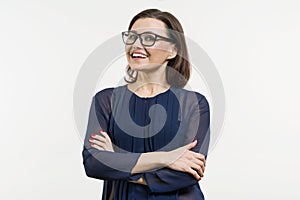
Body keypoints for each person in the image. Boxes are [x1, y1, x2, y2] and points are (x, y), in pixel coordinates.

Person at [82, 8, 210, 200]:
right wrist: (165, 158)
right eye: (132, 37)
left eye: (149, 38)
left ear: (172, 50)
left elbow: (187, 173)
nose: (136, 45)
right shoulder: (106, 100)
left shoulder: (193, 104)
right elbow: (93, 163)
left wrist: (117, 159)